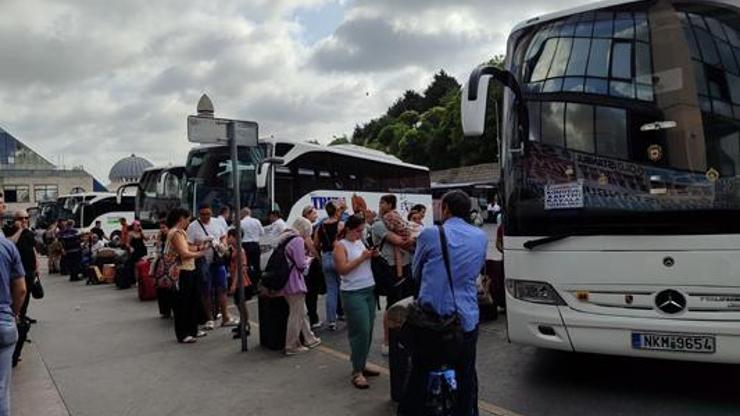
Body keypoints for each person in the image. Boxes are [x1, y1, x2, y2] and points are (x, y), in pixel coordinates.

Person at [402, 190, 487, 416]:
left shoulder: (431, 234)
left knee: (419, 371)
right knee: (466, 375)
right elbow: (477, 270)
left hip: (433, 320)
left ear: (445, 208)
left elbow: (416, 271)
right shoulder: (480, 236)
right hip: (467, 318)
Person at [333, 215, 381, 389]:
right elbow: (342, 270)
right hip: (353, 292)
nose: (360, 234)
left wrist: (371, 255)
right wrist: (362, 258)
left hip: (369, 288)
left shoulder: (360, 242)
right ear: (348, 229)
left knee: (367, 330)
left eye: (362, 231)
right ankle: (357, 371)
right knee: (359, 331)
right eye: (358, 231)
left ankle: (362, 362)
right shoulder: (340, 245)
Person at [371, 194, 415, 355]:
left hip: (404, 265)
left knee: (407, 303)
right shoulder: (378, 225)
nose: (380, 205)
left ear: (390, 205)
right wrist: (411, 239)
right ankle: (387, 341)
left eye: (383, 203)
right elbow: (399, 241)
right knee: (392, 304)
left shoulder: (396, 222)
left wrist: (410, 238)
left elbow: (406, 237)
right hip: (390, 268)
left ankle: (404, 337)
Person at [0, 190, 28, 414]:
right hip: (4, 321)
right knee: (1, 391)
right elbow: (20, 289)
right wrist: (12, 313)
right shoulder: (8, 247)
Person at [187, 204, 234, 329]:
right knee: (206, 291)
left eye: (208, 214)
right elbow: (189, 246)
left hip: (217, 260)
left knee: (222, 289)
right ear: (199, 214)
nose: (205, 216)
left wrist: (222, 244)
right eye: (202, 214)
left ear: (211, 213)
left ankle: (225, 316)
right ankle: (209, 318)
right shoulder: (192, 227)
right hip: (202, 262)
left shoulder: (217, 223)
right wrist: (202, 245)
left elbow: (224, 236)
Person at [279, 217, 321, 355]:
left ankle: (309, 338)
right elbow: (301, 265)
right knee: (296, 314)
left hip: (285, 281)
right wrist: (308, 260)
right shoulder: (297, 240)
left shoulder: (285, 237)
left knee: (301, 312)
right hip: (294, 282)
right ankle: (291, 345)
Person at [166, 208, 207, 343]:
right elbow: (184, 253)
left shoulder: (182, 233)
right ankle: (184, 333)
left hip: (189, 269)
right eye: (188, 219)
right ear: (181, 218)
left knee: (193, 301)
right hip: (182, 271)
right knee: (184, 303)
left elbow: (190, 248)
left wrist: (201, 246)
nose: (189, 222)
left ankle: (192, 330)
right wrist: (200, 254)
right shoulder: (176, 233)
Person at [315, 201, 345, 331]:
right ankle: (344, 313)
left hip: (326, 257)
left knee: (331, 290)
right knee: (343, 287)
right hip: (339, 257)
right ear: (336, 211)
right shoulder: (340, 225)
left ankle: (331, 320)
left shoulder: (320, 226)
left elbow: (316, 243)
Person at [5, 211, 38, 323]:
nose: (24, 220)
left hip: (30, 267)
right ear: (15, 220)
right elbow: (11, 243)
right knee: (19, 292)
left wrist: (37, 265)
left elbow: (33, 249)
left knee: (27, 293)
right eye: (21, 218)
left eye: (26, 218)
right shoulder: (9, 230)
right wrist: (20, 230)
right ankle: (16, 315)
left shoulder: (29, 232)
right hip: (18, 268)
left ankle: (23, 314)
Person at [226, 228, 252, 339]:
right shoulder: (234, 249)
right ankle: (243, 323)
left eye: (229, 237)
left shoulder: (240, 250)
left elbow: (239, 269)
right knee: (239, 304)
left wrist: (233, 284)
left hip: (241, 282)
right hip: (237, 280)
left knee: (242, 304)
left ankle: (246, 325)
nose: (228, 239)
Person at [301, 205, 323, 329]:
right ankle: (313, 319)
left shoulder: (303, 227)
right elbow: (311, 247)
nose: (316, 216)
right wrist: (319, 259)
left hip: (305, 266)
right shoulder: (307, 229)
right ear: (307, 214)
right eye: (314, 213)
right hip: (308, 266)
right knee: (311, 293)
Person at [239, 207, 264, 290]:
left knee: (246, 265)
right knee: (256, 266)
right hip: (255, 245)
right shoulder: (257, 221)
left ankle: (248, 285)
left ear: (243, 214)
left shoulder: (241, 222)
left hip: (245, 245)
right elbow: (262, 233)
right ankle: (255, 285)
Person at [154, 220, 173, 319]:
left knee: (171, 288)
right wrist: (158, 240)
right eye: (160, 228)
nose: (162, 230)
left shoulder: (173, 236)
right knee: (162, 288)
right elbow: (157, 251)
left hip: (171, 265)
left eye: (164, 227)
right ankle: (165, 311)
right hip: (162, 265)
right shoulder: (161, 238)